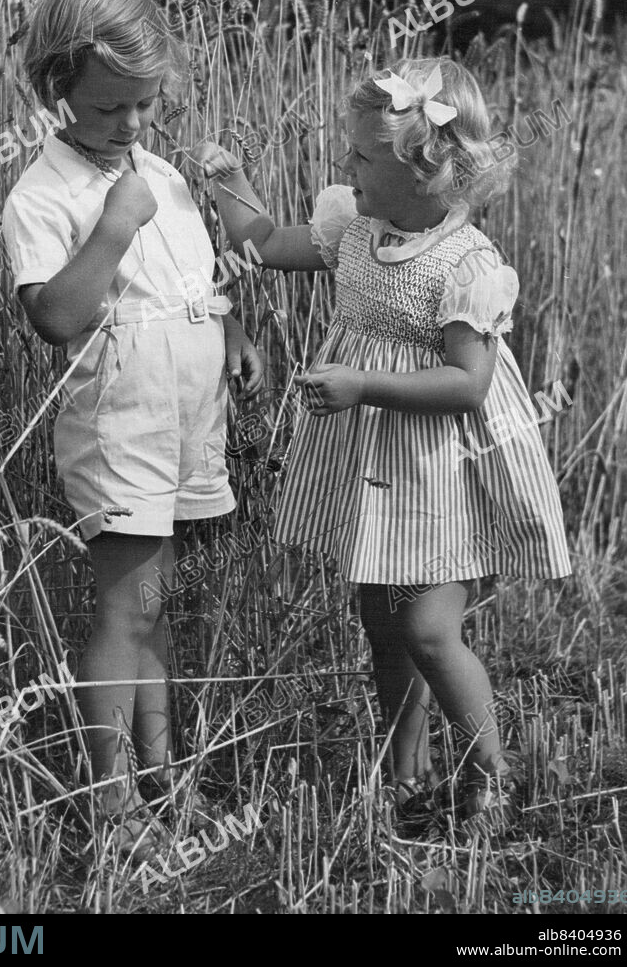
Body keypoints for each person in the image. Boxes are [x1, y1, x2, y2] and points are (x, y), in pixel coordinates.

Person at [190, 57, 571, 823]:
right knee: (382, 621)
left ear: (428, 173)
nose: (346, 166)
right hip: (374, 470)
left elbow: (466, 383)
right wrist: (228, 180)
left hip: (443, 470)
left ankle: (489, 770)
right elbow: (262, 242)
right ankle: (405, 774)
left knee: (429, 627)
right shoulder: (357, 231)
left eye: (363, 156)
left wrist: (363, 386)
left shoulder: (469, 265)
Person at [1, 0, 263, 857]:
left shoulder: (160, 170)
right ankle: (112, 806)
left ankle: (161, 780)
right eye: (111, 107)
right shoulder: (44, 195)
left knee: (155, 606)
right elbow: (56, 319)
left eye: (145, 104)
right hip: (120, 423)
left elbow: (194, 278)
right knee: (125, 606)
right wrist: (112, 225)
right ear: (55, 90)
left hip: (191, 416)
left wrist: (229, 335)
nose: (133, 124)